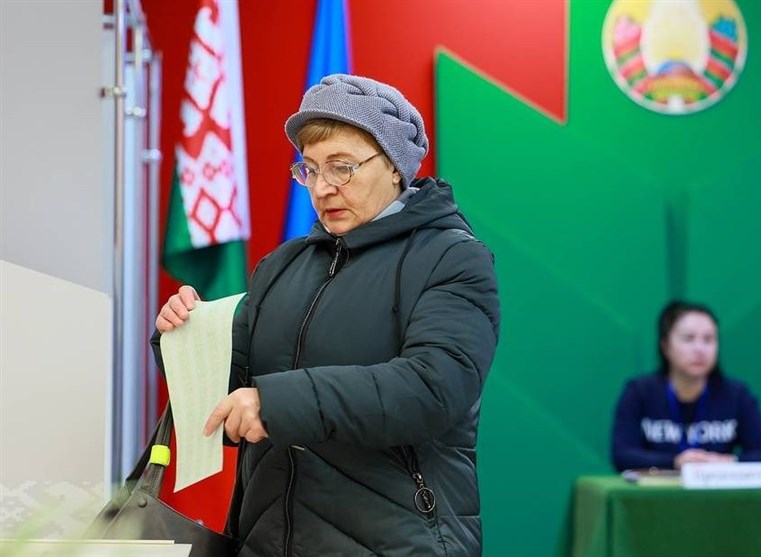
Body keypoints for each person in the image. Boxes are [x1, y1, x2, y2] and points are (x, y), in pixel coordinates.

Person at [152, 74, 500, 557]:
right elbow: (232, 403)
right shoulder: (282, 265)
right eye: (309, 169)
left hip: (396, 543)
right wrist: (183, 339)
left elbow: (433, 390)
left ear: (396, 167)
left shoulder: (451, 258)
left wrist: (276, 404)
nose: (322, 188)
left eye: (342, 167)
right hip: (265, 541)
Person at [611, 300, 761, 472]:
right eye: (688, 339)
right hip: (658, 495)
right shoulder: (639, 392)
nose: (700, 349)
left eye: (708, 339)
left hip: (716, 494)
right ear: (665, 345)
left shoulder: (736, 394)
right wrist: (676, 462)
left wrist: (728, 462)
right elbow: (622, 455)